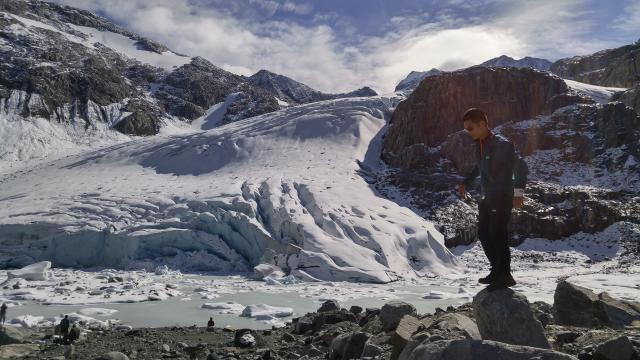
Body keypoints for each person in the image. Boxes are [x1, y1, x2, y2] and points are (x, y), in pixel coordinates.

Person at [458, 108, 528, 291]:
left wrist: (518, 194)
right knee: (483, 233)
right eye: (466, 129)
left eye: (471, 128)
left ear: (482, 124)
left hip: (502, 196)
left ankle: (504, 274)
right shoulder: (479, 144)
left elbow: (521, 167)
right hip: (487, 196)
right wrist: (466, 182)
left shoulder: (501, 144)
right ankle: (497, 271)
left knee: (497, 233)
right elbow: (479, 167)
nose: (468, 132)